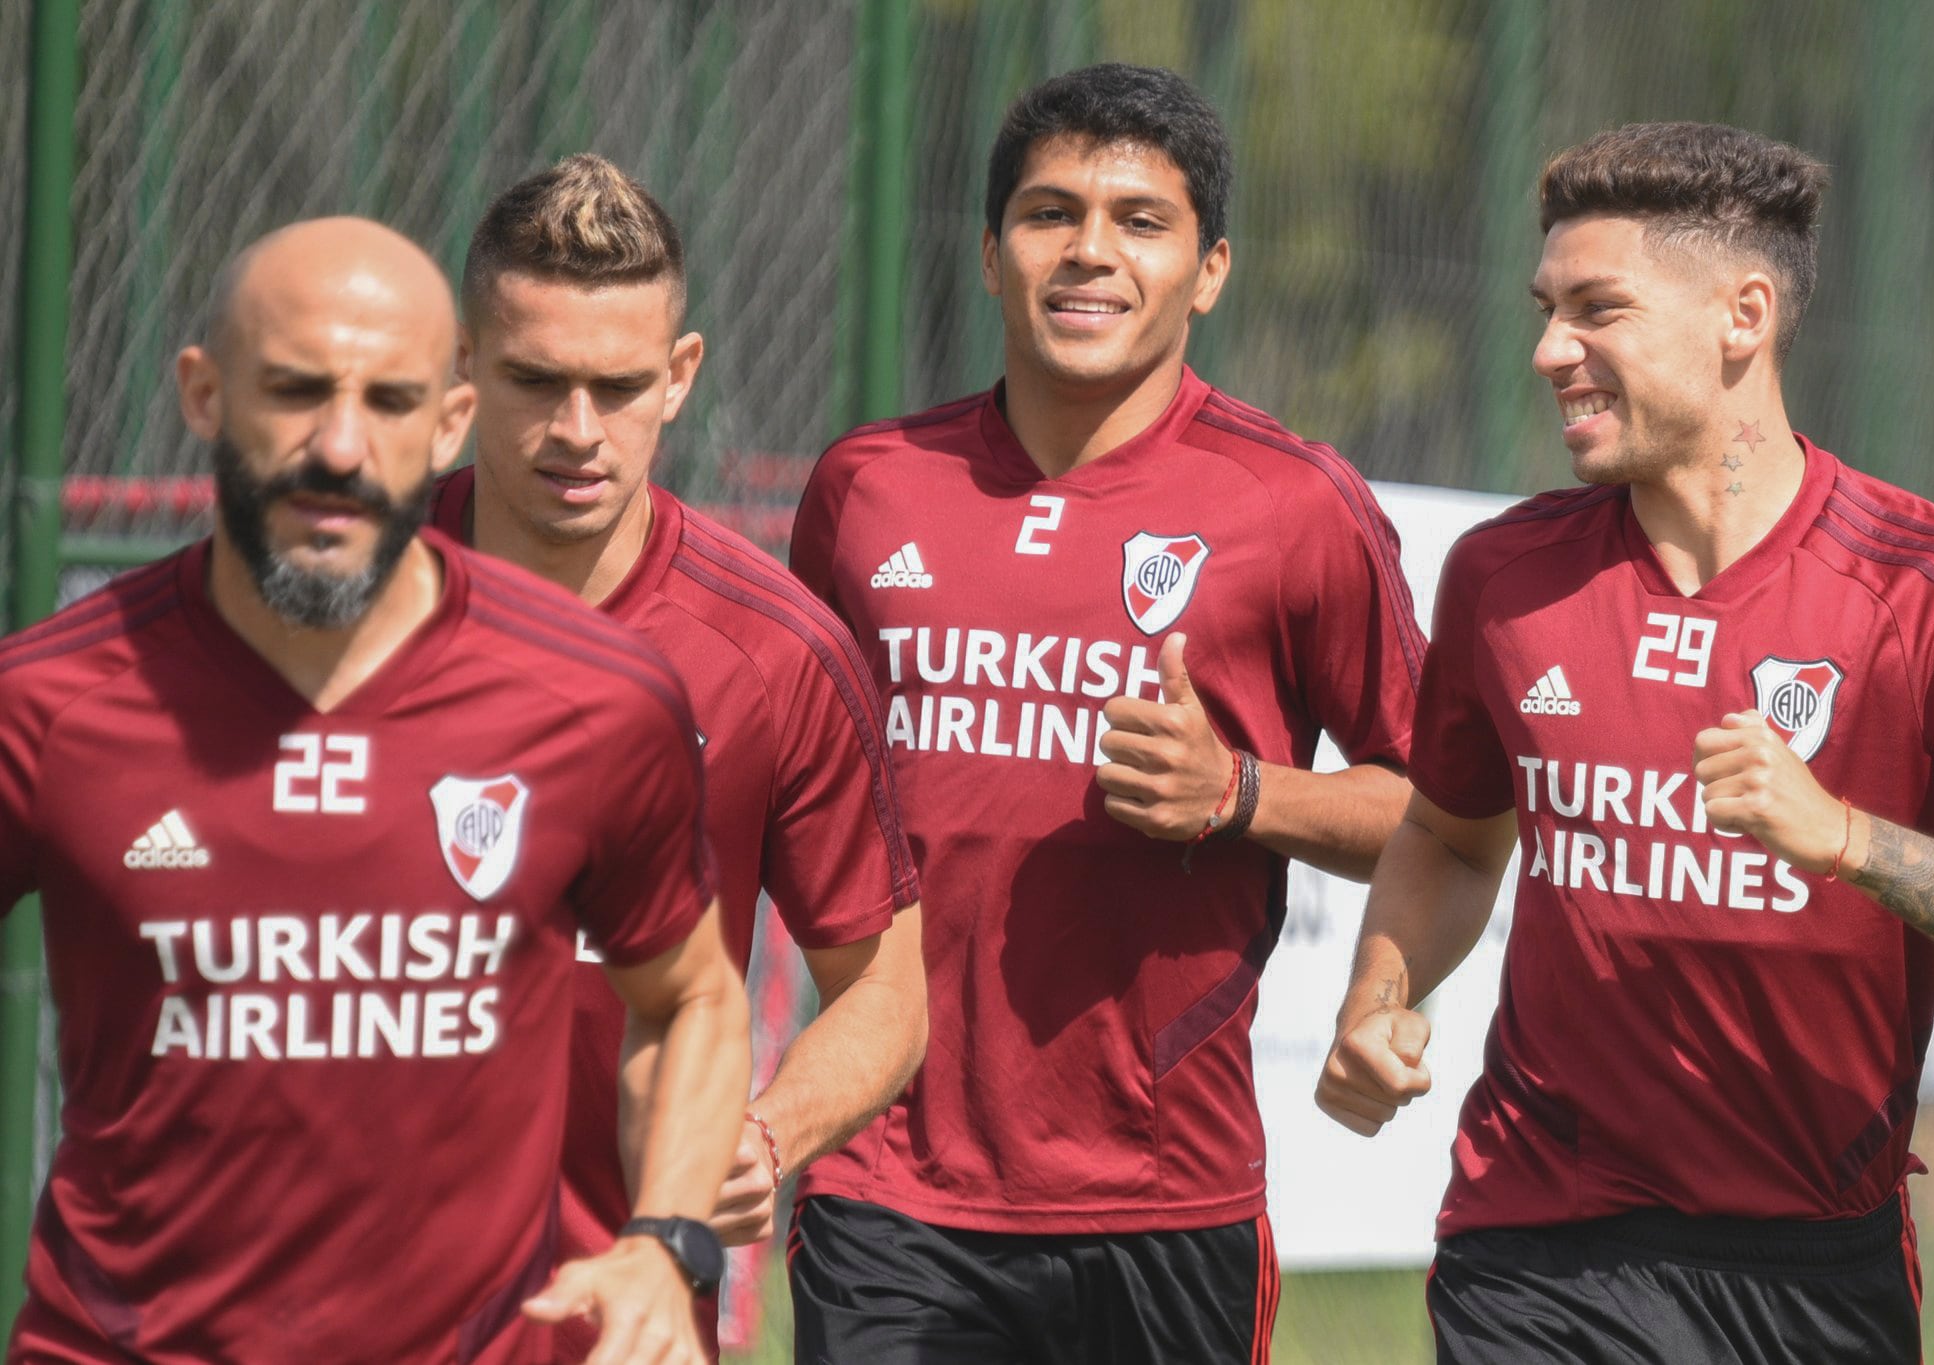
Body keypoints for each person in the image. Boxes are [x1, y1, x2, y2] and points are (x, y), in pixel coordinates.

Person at [1316, 121, 1934, 1364]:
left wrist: (1849, 841)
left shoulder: (1932, 591)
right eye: (1546, 309)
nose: (1551, 350)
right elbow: (1445, 836)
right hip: (1534, 1242)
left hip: (1809, 1266)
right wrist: (1376, 994)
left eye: (1596, 309)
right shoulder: (1502, 576)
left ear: (1741, 315)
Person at [0, 218, 749, 1365]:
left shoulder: (597, 699)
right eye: (296, 391)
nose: (341, 447)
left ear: (449, 421)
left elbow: (692, 997)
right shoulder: (48, 702)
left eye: (392, 403)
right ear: (203, 395)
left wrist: (663, 1241)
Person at [789, 63, 1422, 1365]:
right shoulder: (867, 487)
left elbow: (1442, 815)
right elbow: (779, 783)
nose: (1089, 251)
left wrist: (1240, 794)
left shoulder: (1295, 505)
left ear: (1211, 269)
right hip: (888, 1186)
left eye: (1140, 219)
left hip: (1162, 1195)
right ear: (986, 251)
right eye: (1049, 213)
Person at [440, 153, 927, 1360]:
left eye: (615, 386)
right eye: (533, 380)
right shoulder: (340, 607)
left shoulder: (773, 652)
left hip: (625, 1313)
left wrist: (767, 1134)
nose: (575, 431)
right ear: (460, 368)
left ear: (680, 376)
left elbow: (885, 986)